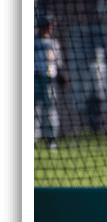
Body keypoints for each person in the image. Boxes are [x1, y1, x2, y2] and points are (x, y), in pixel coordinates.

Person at [34, 15, 63, 148]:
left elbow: (58, 63)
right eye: (47, 25)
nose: (50, 28)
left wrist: (61, 77)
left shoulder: (53, 43)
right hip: (33, 79)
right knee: (33, 112)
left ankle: (50, 141)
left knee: (50, 111)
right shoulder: (32, 42)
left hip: (49, 80)